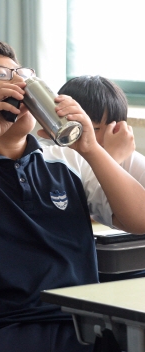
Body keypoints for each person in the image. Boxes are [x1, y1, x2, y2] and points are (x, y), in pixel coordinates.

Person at [0, 39, 145, 351]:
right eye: (0, 74)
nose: (19, 81)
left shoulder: (68, 161)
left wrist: (91, 148)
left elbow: (139, 219)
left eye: (21, 72)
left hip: (80, 327)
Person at [58, 75, 145, 282]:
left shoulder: (126, 154)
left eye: (114, 128)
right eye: (95, 128)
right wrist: (111, 159)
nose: (105, 137)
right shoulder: (57, 154)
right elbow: (84, 206)